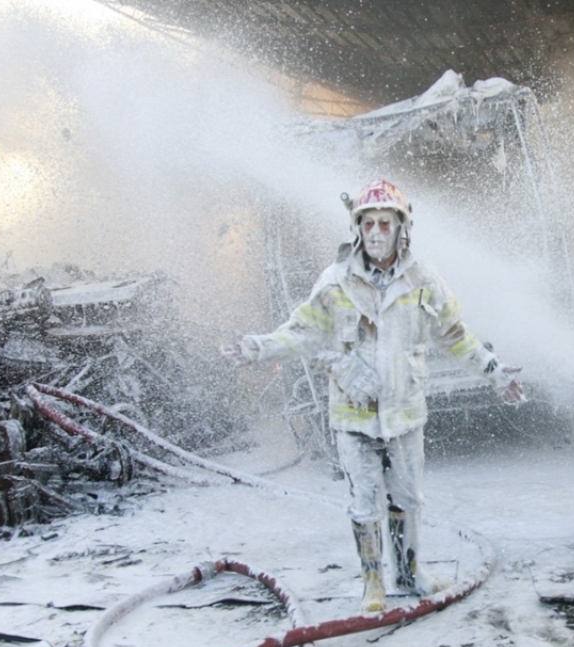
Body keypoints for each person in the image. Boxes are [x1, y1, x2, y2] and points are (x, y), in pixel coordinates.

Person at [223, 179, 524, 613]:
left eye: (385, 222)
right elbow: (302, 332)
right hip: (353, 415)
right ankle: (373, 584)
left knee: (408, 499)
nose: (377, 231)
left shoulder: (423, 279)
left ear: (403, 228)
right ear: (357, 229)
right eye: (368, 224)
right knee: (364, 503)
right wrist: (256, 348)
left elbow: (454, 335)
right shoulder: (335, 282)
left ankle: (410, 573)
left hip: (404, 413)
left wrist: (493, 372)